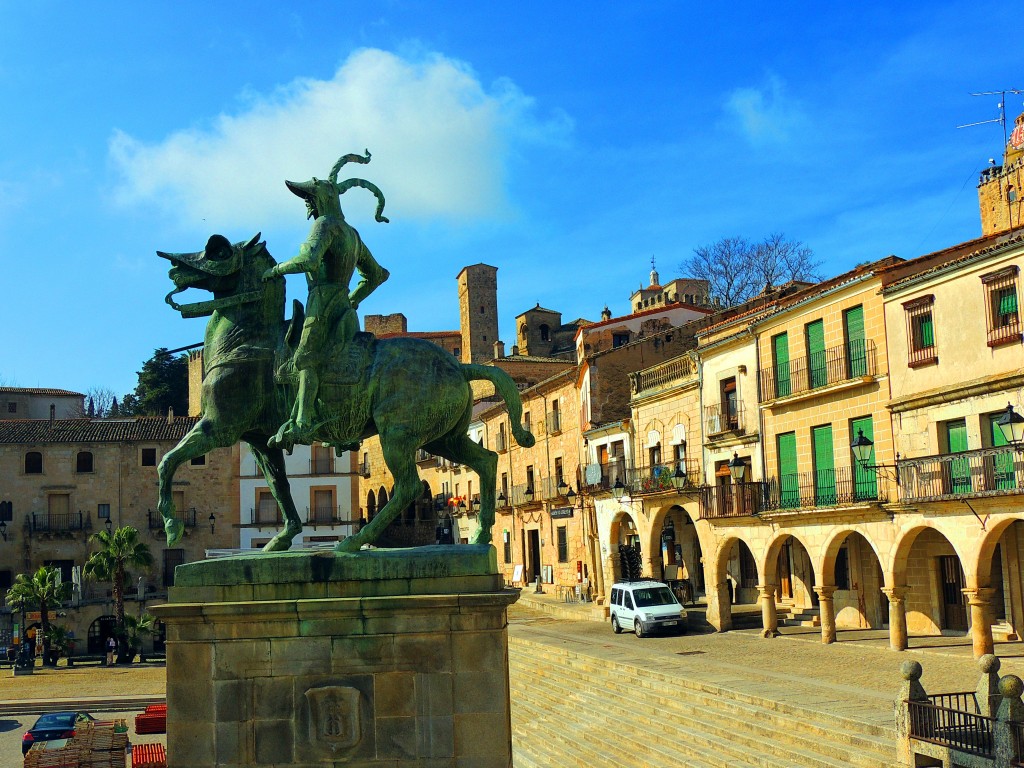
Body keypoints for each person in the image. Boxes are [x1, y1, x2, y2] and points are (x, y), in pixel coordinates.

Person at [263, 150, 390, 450]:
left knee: (305, 359)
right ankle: (345, 428)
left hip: (320, 304)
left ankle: (302, 422)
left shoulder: (325, 226)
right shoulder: (352, 234)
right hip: (344, 309)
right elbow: (377, 275)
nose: (307, 205)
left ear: (321, 200)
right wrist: (353, 300)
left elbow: (308, 260)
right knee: (338, 363)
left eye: (309, 199)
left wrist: (274, 271)